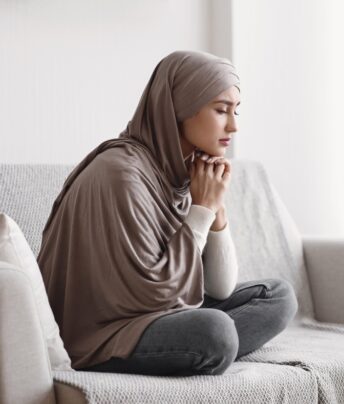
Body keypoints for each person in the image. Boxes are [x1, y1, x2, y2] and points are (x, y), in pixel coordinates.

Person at [37, 50, 298, 376]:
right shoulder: (121, 173)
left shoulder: (181, 173)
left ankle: (198, 350)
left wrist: (214, 207)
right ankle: (204, 348)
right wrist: (201, 209)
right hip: (107, 331)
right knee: (215, 332)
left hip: (160, 305)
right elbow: (153, 294)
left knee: (278, 297)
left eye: (236, 112)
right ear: (179, 109)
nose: (234, 126)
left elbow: (219, 289)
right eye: (221, 110)